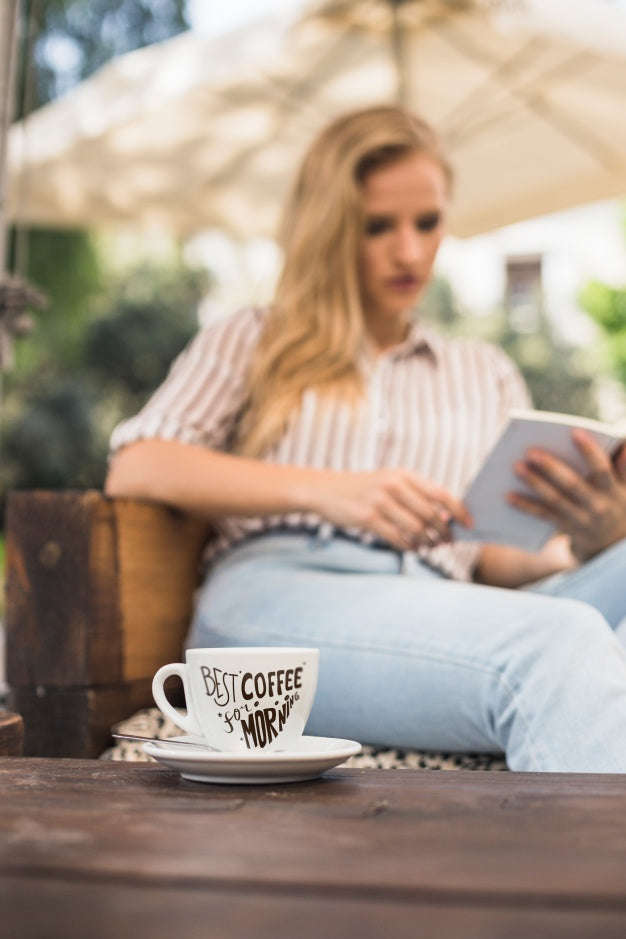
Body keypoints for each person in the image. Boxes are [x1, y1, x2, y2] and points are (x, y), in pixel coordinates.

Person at [106, 105, 626, 772]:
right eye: (377, 226)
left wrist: (589, 538)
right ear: (329, 227)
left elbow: (493, 555)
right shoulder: (254, 338)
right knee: (558, 642)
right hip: (281, 595)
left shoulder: (485, 372)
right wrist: (332, 492)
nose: (409, 251)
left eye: (427, 223)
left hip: (448, 602)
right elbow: (139, 463)